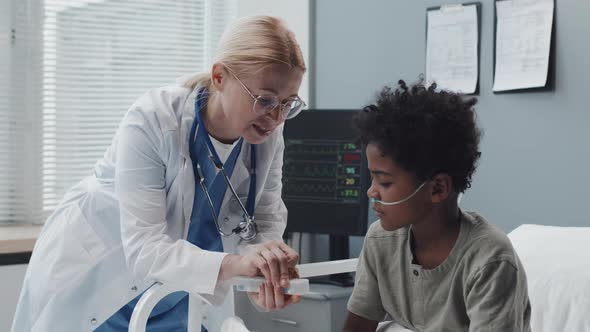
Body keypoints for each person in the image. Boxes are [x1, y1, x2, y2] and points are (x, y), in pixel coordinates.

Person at [12, 15, 306, 332]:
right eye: (265, 100)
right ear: (220, 77)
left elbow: (264, 219)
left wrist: (266, 273)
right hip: (101, 279)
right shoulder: (153, 119)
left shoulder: (267, 137)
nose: (276, 117)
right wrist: (237, 266)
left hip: (179, 292)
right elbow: (144, 249)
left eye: (288, 103)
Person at [343, 79, 531, 331]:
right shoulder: (381, 240)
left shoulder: (490, 260)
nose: (371, 191)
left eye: (385, 182)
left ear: (437, 188)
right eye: (372, 178)